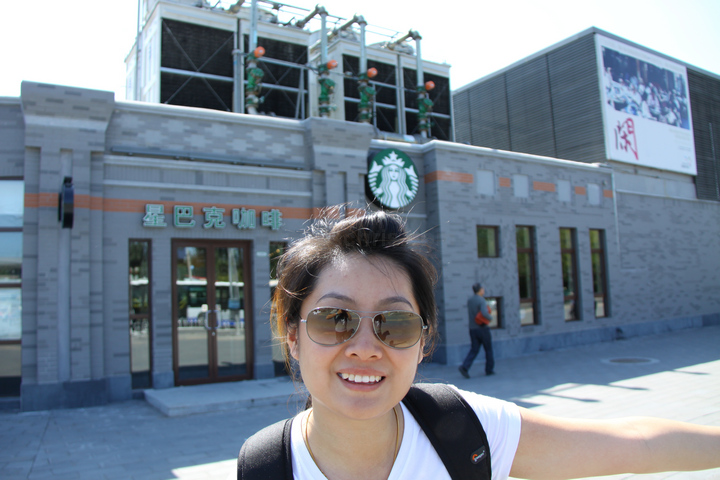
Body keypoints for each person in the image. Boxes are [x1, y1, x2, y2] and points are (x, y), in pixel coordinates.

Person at [239, 209, 720, 480]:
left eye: (396, 324)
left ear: (423, 342)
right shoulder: (265, 467)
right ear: (292, 336)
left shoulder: (466, 430)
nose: (365, 347)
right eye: (335, 320)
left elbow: (637, 444)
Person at [459, 282, 495, 378]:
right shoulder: (481, 300)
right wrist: (491, 318)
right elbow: (484, 313)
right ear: (480, 290)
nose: (483, 290)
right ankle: (489, 369)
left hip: (472, 329)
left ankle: (465, 367)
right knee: (488, 349)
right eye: (482, 288)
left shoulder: (470, 300)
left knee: (474, 349)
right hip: (482, 328)